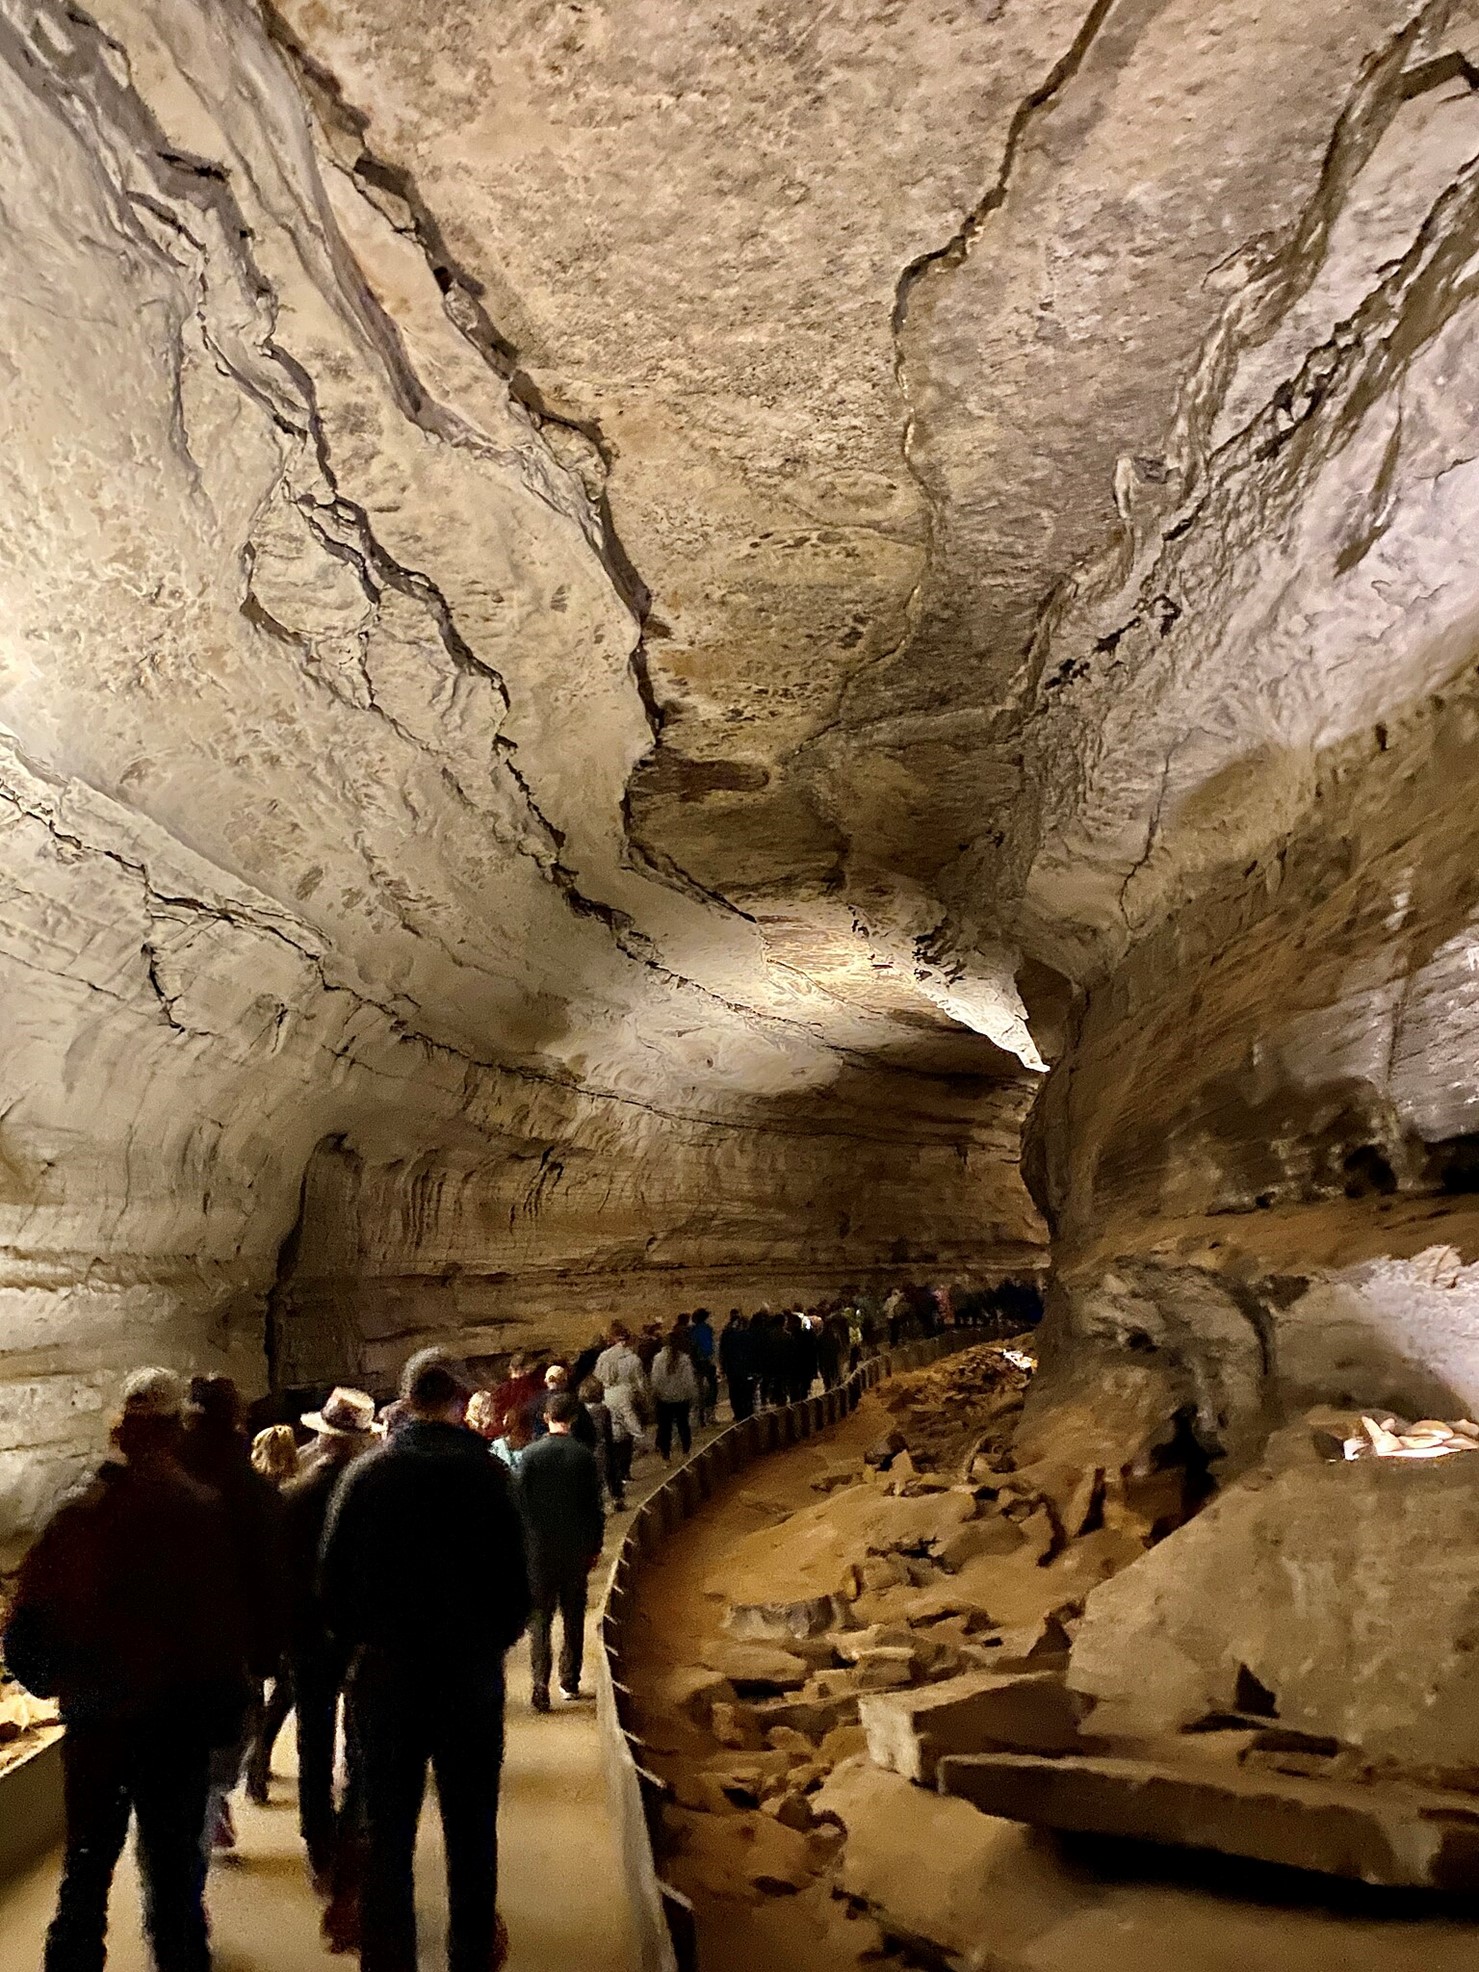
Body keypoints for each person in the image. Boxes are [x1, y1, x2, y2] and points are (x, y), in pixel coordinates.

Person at [5, 1368, 254, 1972]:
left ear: (121, 1427)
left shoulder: (80, 1511)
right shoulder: (198, 1512)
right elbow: (221, 1630)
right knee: (172, 1880)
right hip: (175, 1725)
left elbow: (26, 1621)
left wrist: (58, 1685)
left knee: (85, 1871)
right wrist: (226, 1714)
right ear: (173, 1431)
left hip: (98, 1724)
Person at [319, 1349, 529, 1972]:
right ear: (460, 1401)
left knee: (388, 1835)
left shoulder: (366, 1478)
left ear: (407, 1402)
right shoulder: (492, 1479)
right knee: (470, 1831)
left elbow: (331, 1589)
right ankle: (469, 1954)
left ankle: (391, 1960)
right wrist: (483, 1644)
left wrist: (369, 1642)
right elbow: (519, 1591)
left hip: (387, 1679)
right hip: (468, 1678)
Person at [278, 1387, 377, 1920]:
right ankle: (351, 1833)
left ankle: (317, 1842)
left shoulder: (295, 1492)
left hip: (309, 1634)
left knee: (313, 1740)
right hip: (360, 1631)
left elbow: (283, 1572)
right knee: (361, 1737)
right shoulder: (370, 1489)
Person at [179, 1376, 285, 1856]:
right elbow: (270, 1576)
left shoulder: (163, 1478)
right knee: (228, 1733)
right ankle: (212, 1801)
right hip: (231, 1642)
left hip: (168, 1642)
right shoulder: (255, 1493)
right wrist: (268, 1646)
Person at [515, 1392, 604, 1711]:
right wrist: (595, 1545)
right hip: (574, 1548)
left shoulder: (530, 1455)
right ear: (574, 1419)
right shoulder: (583, 1456)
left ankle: (540, 1682)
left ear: (545, 1418)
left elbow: (520, 1504)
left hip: (538, 1550)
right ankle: (570, 1680)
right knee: (573, 1616)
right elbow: (595, 1507)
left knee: (539, 1619)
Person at [244, 1426, 305, 1809]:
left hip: (248, 1611)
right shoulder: (288, 1500)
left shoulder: (245, 1498)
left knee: (252, 1695)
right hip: (283, 1610)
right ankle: (260, 1757)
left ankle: (256, 1768)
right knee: (286, 1688)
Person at [650, 1331, 699, 1462]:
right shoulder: (684, 1359)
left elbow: (655, 1380)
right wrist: (692, 1395)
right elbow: (688, 1381)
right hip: (681, 1398)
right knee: (683, 1425)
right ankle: (686, 1452)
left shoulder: (658, 1359)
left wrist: (655, 1395)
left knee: (665, 1427)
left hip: (664, 1399)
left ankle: (666, 1456)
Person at [578, 1375, 625, 1509]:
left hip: (588, 1446)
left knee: (594, 1479)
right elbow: (606, 1431)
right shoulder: (603, 1410)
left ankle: (597, 1504)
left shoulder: (580, 1411)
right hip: (602, 1445)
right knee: (610, 1473)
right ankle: (617, 1498)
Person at [719, 1311, 755, 1421]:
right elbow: (752, 1353)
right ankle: (746, 1413)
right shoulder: (747, 1336)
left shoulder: (727, 1335)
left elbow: (723, 1353)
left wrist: (724, 1367)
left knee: (735, 1392)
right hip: (744, 1369)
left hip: (732, 1369)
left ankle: (738, 1413)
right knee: (746, 1393)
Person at [690, 1309, 718, 1425]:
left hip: (696, 1363)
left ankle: (700, 1415)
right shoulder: (707, 1329)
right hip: (706, 1362)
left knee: (699, 1389)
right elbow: (709, 1348)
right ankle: (710, 1414)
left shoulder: (692, 1330)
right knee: (712, 1388)